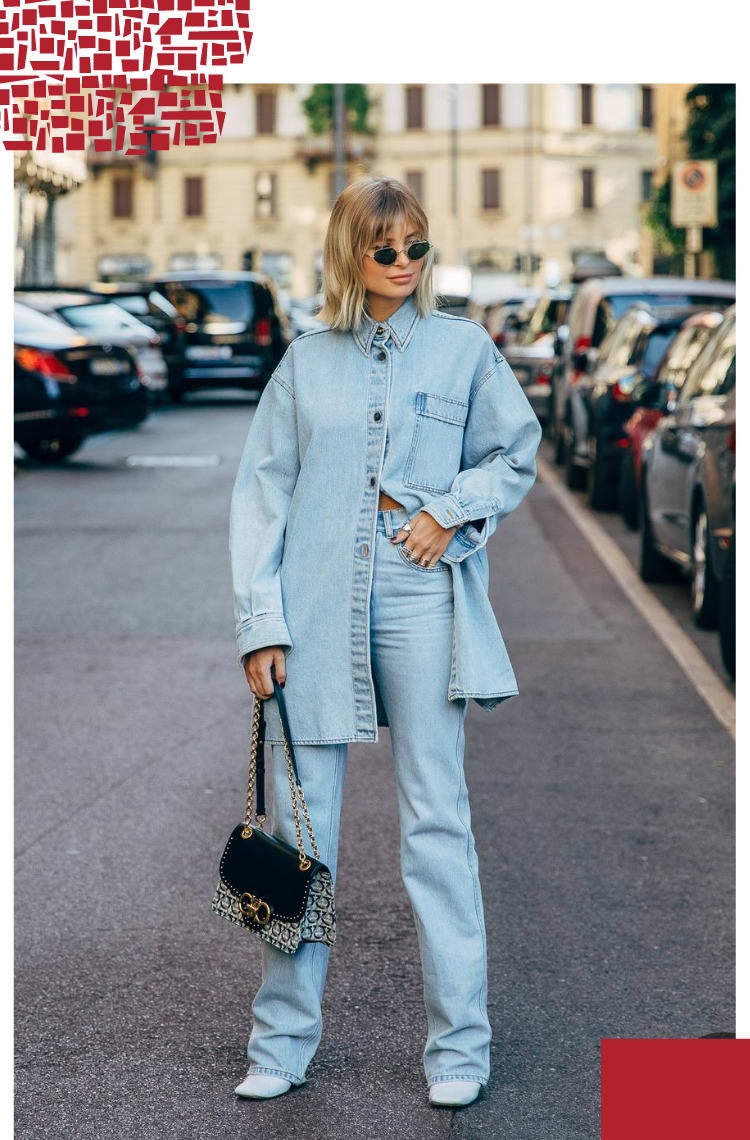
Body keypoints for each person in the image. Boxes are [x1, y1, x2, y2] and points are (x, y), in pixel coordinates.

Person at [228, 175, 542, 1107]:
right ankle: (280, 1043)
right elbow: (262, 495)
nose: (403, 264)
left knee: (436, 824)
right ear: (350, 256)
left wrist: (449, 512)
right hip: (314, 606)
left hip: (419, 601)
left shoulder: (464, 351)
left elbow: (512, 454)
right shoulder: (306, 361)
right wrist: (261, 623)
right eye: (384, 248)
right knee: (299, 831)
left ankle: (459, 1047)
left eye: (416, 247)